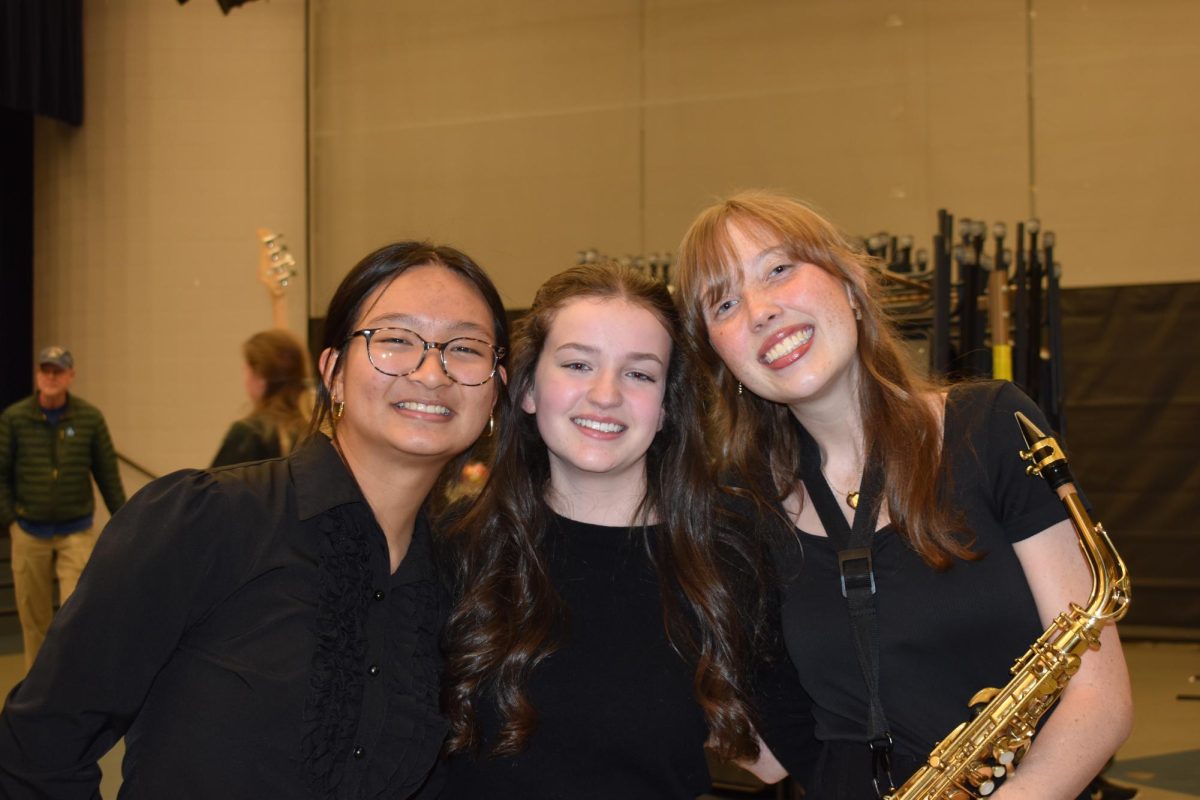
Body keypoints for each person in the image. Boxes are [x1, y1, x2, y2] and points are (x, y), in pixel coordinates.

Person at [0, 242, 509, 799]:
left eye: (465, 347)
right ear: (333, 372)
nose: (432, 372)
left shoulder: (461, 580)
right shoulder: (205, 521)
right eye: (395, 340)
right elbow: (39, 751)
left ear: (496, 388)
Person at [674, 190, 1133, 800]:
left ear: (850, 280)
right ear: (719, 356)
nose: (759, 310)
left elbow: (1101, 697)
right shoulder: (742, 513)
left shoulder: (994, 427)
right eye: (724, 303)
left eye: (779, 269)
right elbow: (767, 754)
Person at [435, 263, 773, 798]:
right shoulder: (454, 548)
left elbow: (779, 758)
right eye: (577, 364)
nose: (606, 394)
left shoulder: (725, 553)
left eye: (639, 374)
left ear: (665, 409)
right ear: (527, 390)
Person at [0, 346, 126, 671]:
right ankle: (36, 695)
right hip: (29, 531)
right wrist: (11, 521)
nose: (51, 377)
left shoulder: (89, 418)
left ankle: (71, 690)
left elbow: (107, 474)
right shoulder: (15, 418)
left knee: (77, 614)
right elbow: (1, 474)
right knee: (34, 620)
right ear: (37, 375)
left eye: (58, 371)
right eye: (45, 370)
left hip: (76, 532)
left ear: (70, 375)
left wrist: (126, 522)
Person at [211, 328, 313, 467]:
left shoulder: (249, 435)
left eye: (246, 368)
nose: (244, 374)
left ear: (260, 378)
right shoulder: (319, 430)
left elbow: (211, 487)